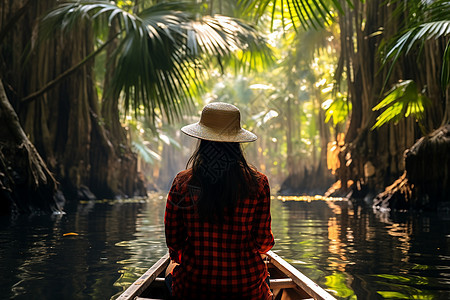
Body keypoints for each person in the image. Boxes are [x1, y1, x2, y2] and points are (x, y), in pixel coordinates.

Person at [164, 102, 274, 299]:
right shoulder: (258, 183)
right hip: (246, 291)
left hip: (194, 290)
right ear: (237, 143)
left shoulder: (182, 182)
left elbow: (174, 241)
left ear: (202, 141)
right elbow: (263, 242)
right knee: (263, 277)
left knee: (170, 271)